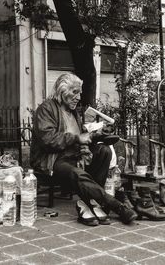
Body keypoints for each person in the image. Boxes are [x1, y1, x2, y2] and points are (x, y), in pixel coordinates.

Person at [30, 73, 137, 226]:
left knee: (104, 151)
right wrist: (77, 138)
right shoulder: (46, 109)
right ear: (62, 91)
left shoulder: (73, 111)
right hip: (53, 160)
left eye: (79, 92)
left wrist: (96, 135)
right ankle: (115, 206)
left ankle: (86, 203)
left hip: (74, 157)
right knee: (76, 172)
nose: (79, 97)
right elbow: (48, 140)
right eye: (75, 92)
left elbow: (80, 137)